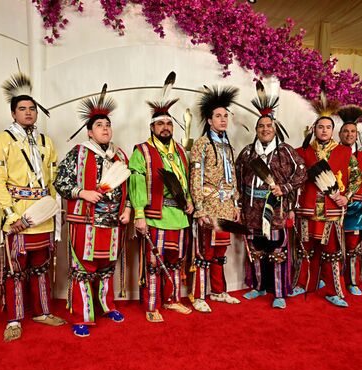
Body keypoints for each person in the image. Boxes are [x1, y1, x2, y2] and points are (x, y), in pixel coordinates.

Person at [0, 71, 66, 342]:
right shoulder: (3, 140)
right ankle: (14, 318)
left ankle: (43, 312)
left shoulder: (46, 142)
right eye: (22, 109)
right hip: (18, 214)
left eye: (32, 109)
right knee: (15, 268)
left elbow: (54, 181)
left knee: (42, 265)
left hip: (43, 214)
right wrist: (11, 216)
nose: (28, 113)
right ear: (13, 114)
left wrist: (56, 211)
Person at [54, 87, 131, 337]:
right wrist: (82, 192)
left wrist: (127, 209)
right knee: (84, 269)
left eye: (108, 125)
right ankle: (82, 315)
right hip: (86, 221)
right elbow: (60, 182)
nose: (105, 129)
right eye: (99, 125)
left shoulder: (120, 156)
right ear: (90, 131)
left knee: (107, 266)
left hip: (113, 222)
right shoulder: (79, 153)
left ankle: (107, 306)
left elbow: (128, 187)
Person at [235, 88, 306, 309]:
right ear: (256, 130)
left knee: (277, 251)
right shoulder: (247, 153)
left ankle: (279, 291)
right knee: (256, 249)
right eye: (261, 126)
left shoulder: (285, 151)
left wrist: (284, 188)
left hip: (275, 210)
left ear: (275, 129)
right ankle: (258, 286)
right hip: (251, 210)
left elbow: (302, 173)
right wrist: (239, 205)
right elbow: (237, 179)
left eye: (269, 126)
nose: (265, 129)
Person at [291, 95, 361, 308]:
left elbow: (357, 179)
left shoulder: (344, 152)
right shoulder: (301, 152)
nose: (323, 131)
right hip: (307, 209)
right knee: (304, 250)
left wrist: (345, 196)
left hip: (331, 212)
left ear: (333, 131)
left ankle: (334, 291)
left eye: (327, 127)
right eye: (320, 127)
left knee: (332, 253)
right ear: (314, 129)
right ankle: (302, 284)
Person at [129, 95, 194, 322]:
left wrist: (190, 201)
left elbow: (185, 180)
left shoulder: (179, 152)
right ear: (152, 127)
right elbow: (135, 184)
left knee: (176, 262)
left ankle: (173, 299)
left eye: (168, 124)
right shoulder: (143, 151)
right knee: (154, 263)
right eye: (160, 124)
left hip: (179, 216)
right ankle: (151, 305)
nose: (165, 128)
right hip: (156, 216)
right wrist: (139, 214)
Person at [189, 86, 241, 313]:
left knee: (220, 253)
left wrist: (236, 203)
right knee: (205, 253)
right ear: (209, 120)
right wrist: (199, 209)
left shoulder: (227, 146)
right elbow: (195, 178)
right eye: (218, 116)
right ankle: (199, 295)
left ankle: (219, 291)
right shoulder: (202, 144)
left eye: (225, 116)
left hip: (226, 207)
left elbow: (233, 177)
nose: (222, 119)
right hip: (208, 206)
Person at [337, 105, 362, 295]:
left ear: (357, 134)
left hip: (357, 207)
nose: (349, 134)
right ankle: (333, 281)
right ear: (340, 133)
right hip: (335, 207)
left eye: (352, 131)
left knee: (352, 246)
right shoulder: (332, 152)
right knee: (334, 246)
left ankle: (353, 282)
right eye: (345, 131)